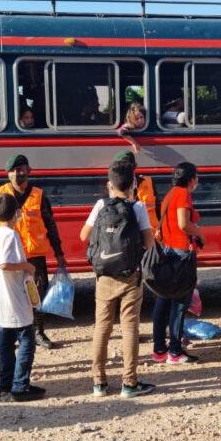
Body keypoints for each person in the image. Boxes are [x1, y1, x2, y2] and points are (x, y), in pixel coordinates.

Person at [80, 160, 157, 398]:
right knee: (129, 327)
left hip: (103, 276)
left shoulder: (100, 204)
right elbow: (149, 242)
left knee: (102, 327)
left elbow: (84, 236)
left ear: (108, 185)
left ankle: (99, 383)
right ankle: (129, 383)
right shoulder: (138, 208)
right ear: (133, 184)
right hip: (130, 276)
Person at [0, 154, 66, 352]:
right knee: (2, 295)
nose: (18, 173)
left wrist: (59, 252)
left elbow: (50, 225)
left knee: (36, 294)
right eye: (13, 170)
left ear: (29, 171)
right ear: (8, 173)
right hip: (7, 257)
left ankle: (38, 331)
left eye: (21, 169)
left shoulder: (39, 194)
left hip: (34, 256)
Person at [0, 193, 45, 402]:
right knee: (27, 339)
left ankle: (4, 384)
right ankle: (20, 385)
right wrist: (27, 266)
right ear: (16, 213)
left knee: (5, 343)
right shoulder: (10, 235)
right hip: (13, 298)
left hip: (0, 299)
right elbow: (5, 264)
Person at [152, 161, 202, 364]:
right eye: (196, 177)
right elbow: (184, 224)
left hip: (168, 251)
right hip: (181, 253)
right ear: (191, 179)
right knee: (180, 303)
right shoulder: (183, 194)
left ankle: (159, 350)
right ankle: (175, 351)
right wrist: (200, 233)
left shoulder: (170, 194)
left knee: (163, 300)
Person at [113, 150, 158, 230]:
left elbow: (158, 208)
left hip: (150, 235)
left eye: (129, 166)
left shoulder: (148, 182)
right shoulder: (113, 187)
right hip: (127, 237)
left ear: (134, 166)